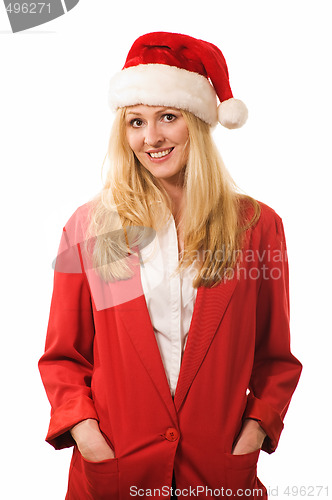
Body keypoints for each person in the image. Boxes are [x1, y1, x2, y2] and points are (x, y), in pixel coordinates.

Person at [38, 32, 302, 499]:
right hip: (116, 471)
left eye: (168, 117)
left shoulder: (258, 227)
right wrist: (89, 439)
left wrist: (254, 433)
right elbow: (64, 358)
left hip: (219, 474)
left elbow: (275, 358)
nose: (151, 137)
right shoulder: (92, 227)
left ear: (197, 124)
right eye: (135, 121)